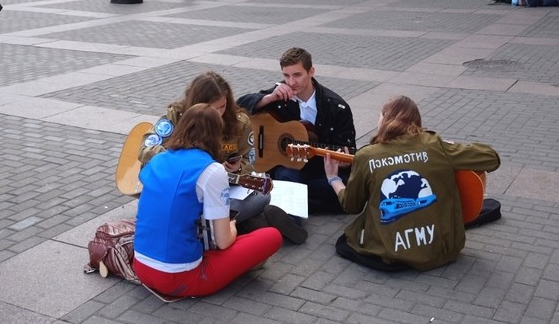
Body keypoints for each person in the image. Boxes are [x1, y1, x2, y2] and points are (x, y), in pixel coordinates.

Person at [324, 95, 501, 271]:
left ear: (385, 118)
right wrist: (451, 149)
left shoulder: (367, 155)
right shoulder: (435, 145)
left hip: (389, 251)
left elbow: (351, 206)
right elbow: (492, 158)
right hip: (442, 250)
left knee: (344, 242)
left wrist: (334, 179)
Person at [133, 104, 283, 298]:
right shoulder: (212, 170)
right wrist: (232, 227)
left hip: (141, 267)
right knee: (271, 236)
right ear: (216, 135)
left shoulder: (157, 159)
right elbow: (223, 241)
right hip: (179, 278)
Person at [138, 71, 306, 243]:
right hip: (182, 190)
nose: (218, 114)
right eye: (212, 108)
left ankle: (220, 225)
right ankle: (242, 225)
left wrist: (238, 168)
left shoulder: (239, 122)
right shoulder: (176, 115)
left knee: (262, 196)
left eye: (223, 106)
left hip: (221, 191)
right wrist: (179, 160)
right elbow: (145, 150)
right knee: (231, 211)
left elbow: (251, 162)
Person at [237, 47, 356, 214]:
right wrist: (269, 97)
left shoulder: (337, 107)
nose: (291, 82)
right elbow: (239, 106)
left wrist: (341, 163)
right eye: (286, 75)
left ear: (311, 71)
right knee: (287, 178)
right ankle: (288, 211)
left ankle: (280, 199)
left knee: (347, 190)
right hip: (289, 166)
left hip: (320, 168)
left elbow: (346, 147)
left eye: (297, 75)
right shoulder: (280, 96)